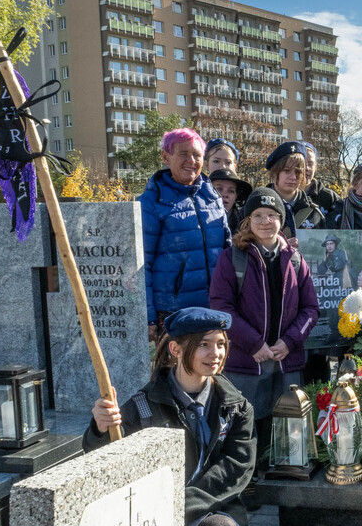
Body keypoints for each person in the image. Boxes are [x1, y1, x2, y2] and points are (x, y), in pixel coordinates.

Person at [84, 307, 278, 526]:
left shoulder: (236, 407)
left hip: (205, 520)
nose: (215, 353)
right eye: (204, 344)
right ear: (176, 349)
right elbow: (104, 463)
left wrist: (179, 506)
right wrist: (100, 428)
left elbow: (236, 470)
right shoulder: (142, 407)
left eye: (221, 343)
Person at [209, 188, 319, 468]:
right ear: (247, 221)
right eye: (257, 215)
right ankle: (248, 483)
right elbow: (222, 308)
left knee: (286, 425)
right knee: (245, 428)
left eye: (272, 215)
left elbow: (310, 309)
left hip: (285, 361)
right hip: (247, 362)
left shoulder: (295, 259)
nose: (265, 221)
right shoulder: (232, 257)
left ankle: (285, 481)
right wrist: (254, 344)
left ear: (281, 220)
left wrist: (290, 341)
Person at [140, 128, 231, 342]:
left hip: (214, 306)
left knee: (211, 370)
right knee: (175, 373)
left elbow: (228, 251)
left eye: (197, 155)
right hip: (174, 313)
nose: (191, 160)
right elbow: (141, 264)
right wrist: (148, 317)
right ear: (166, 156)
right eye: (183, 154)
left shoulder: (211, 197)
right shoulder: (151, 202)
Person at [264, 141, 326, 239]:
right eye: (287, 170)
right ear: (275, 172)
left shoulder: (314, 214)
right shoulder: (256, 208)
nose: (293, 177)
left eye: (298, 171)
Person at [302, 142, 342, 217]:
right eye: (302, 164)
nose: (307, 168)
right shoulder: (278, 196)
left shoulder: (330, 198)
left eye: (310, 164)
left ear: (316, 167)